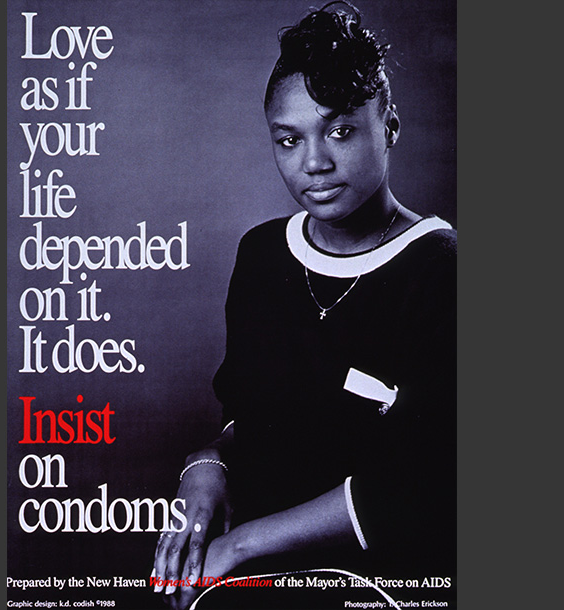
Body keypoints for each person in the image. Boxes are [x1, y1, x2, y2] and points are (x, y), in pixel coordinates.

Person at [153, 3, 456, 608]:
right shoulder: (263, 254)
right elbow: (259, 421)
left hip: (384, 579)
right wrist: (204, 466)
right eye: (289, 139)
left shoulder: (439, 267)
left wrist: (241, 547)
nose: (313, 162)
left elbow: (425, 482)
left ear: (389, 126)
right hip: (260, 572)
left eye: (340, 130)